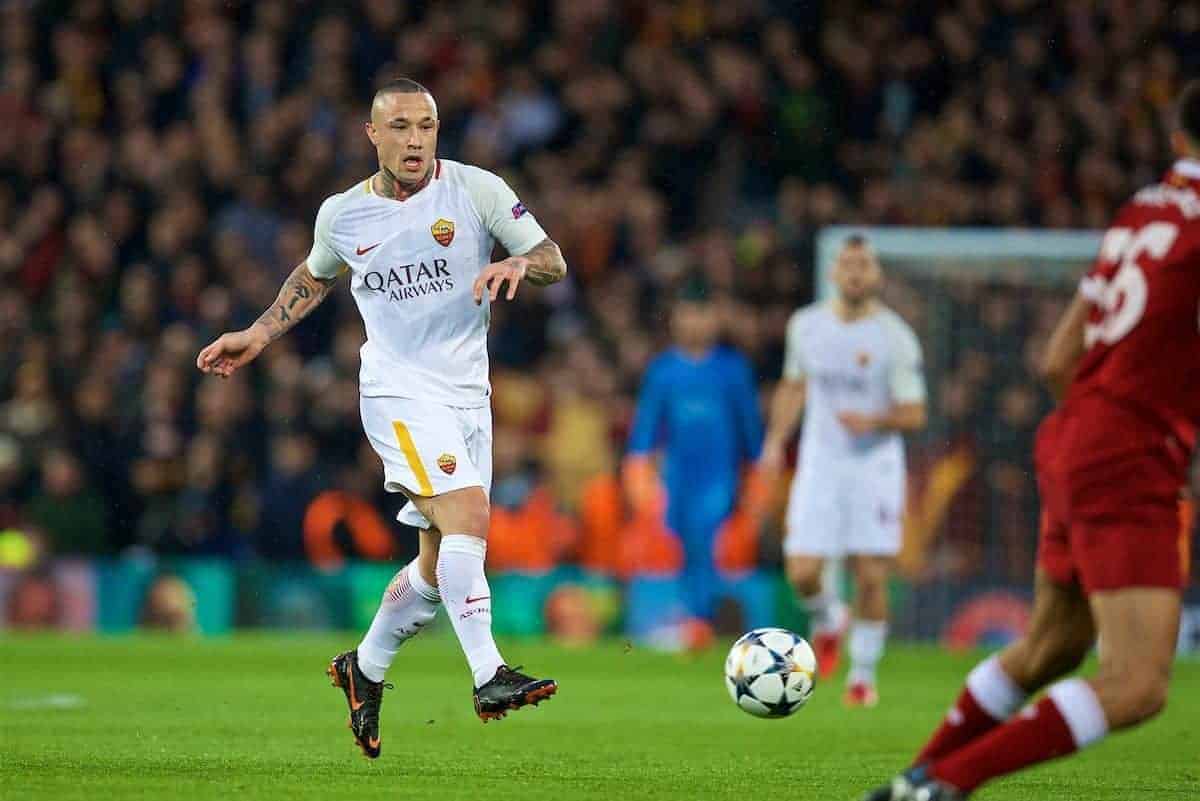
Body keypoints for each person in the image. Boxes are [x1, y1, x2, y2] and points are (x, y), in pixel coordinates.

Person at [196, 78, 567, 758]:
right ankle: (489, 674)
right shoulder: (344, 215)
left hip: (466, 396)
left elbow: (553, 258)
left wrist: (517, 260)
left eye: (426, 125)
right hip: (398, 391)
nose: (416, 139)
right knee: (470, 516)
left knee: (433, 570)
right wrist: (258, 332)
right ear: (373, 135)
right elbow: (313, 276)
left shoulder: (477, 190)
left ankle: (362, 668)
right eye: (400, 126)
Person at [864, 81, 1200, 800]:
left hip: (1073, 431)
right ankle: (946, 782)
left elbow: (1056, 359)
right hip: (1129, 450)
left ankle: (915, 778)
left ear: (1178, 140)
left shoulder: (1140, 210)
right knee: (1137, 685)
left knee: (1055, 644)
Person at [760, 235, 927, 707]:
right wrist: (775, 441)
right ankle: (830, 619)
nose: (856, 273)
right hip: (821, 462)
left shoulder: (893, 337)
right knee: (802, 572)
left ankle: (863, 676)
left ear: (877, 276)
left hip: (875, 466)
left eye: (864, 265)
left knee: (871, 575)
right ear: (834, 273)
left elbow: (915, 413)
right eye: (848, 265)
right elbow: (794, 387)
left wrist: (874, 420)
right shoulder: (807, 326)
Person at [625, 281, 764, 626]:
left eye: (703, 314)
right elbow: (644, 434)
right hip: (675, 477)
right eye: (688, 314)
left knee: (706, 541)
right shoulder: (663, 371)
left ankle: (704, 618)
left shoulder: (733, 370)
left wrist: (758, 482)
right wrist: (642, 477)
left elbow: (751, 433)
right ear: (675, 318)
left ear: (716, 318)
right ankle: (690, 619)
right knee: (681, 547)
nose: (695, 323)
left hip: (719, 478)